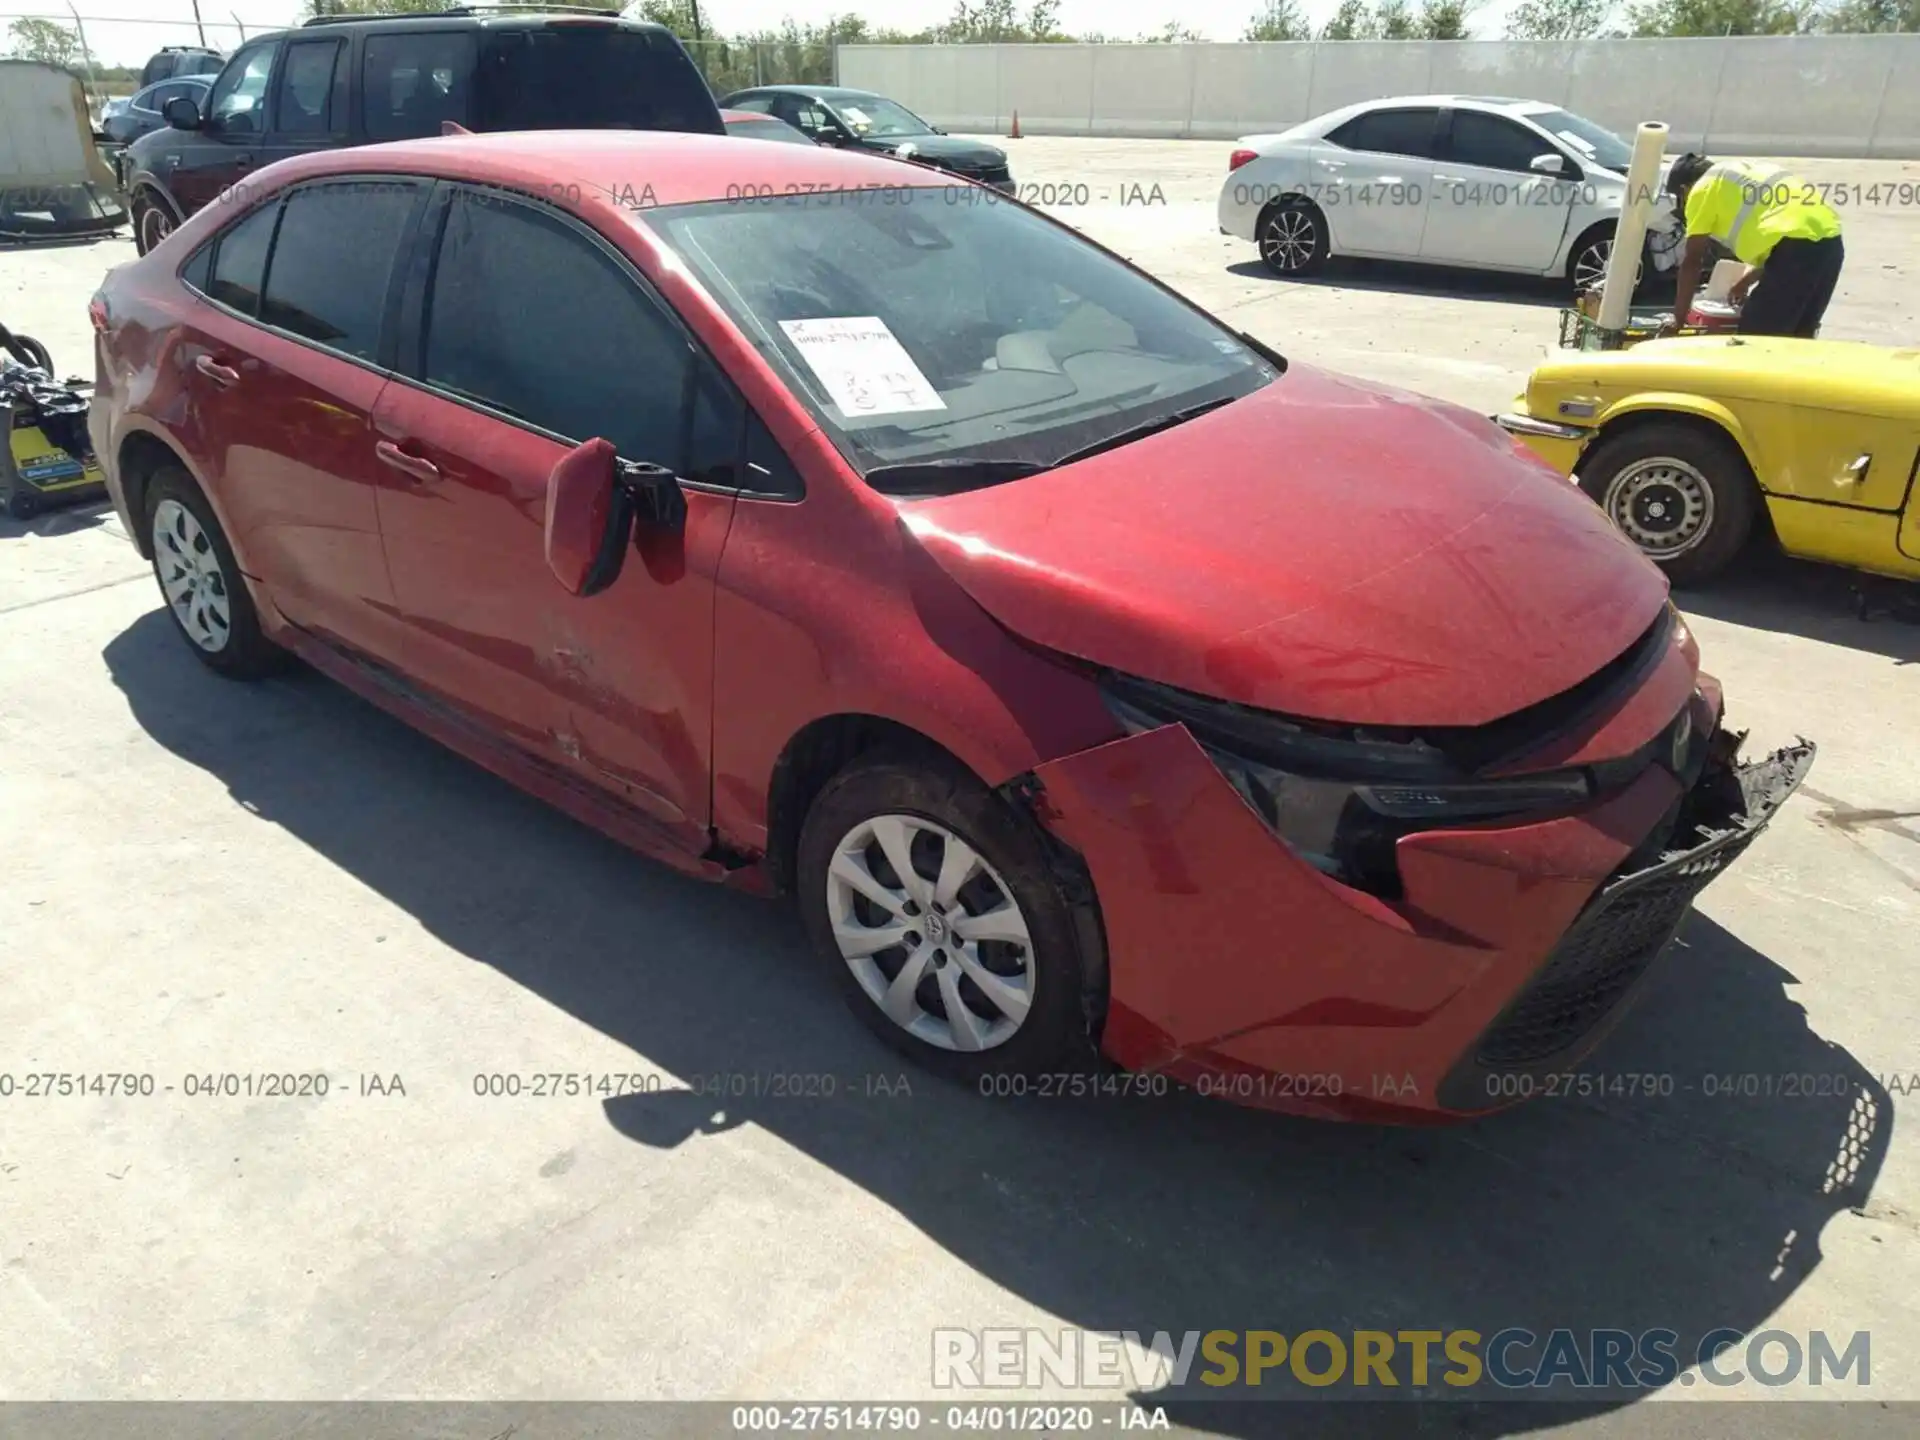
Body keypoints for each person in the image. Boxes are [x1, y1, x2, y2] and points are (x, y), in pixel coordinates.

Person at [1657, 152, 1844, 339]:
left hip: (1795, 251)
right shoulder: (1743, 172)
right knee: (1801, 335)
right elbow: (1794, 237)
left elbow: (1692, 261)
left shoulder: (1702, 190)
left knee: (1756, 338)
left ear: (1684, 189)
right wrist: (1746, 281)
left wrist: (1679, 320)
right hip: (1831, 243)